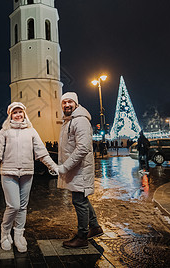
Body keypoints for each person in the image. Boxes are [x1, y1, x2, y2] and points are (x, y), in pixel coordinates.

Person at [0, 102, 57, 253]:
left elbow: (41, 152)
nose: (18, 115)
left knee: (23, 206)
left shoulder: (31, 131)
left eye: (20, 112)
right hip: (8, 173)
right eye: (15, 112)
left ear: (24, 113)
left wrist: (53, 167)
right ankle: (4, 233)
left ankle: (19, 235)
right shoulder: (5, 131)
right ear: (10, 115)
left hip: (27, 173)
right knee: (13, 206)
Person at [56, 92, 103, 249]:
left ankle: (82, 236)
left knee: (79, 201)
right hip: (76, 169)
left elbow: (82, 148)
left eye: (70, 102)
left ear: (76, 104)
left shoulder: (80, 121)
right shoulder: (69, 121)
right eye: (64, 102)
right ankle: (95, 227)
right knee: (82, 199)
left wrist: (66, 166)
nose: (67, 105)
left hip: (80, 169)